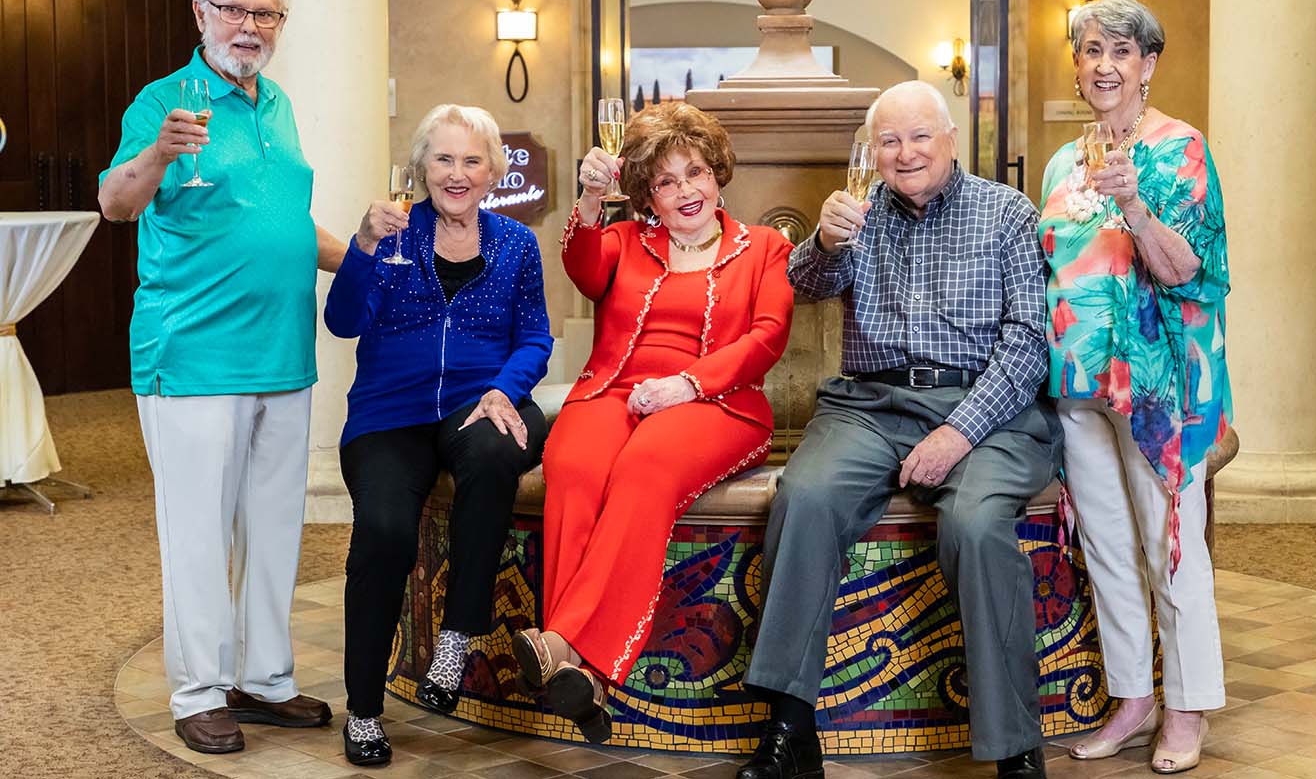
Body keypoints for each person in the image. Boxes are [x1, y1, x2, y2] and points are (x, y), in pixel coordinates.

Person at [738, 81, 1062, 779]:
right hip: (870, 406)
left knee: (974, 525)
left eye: (920, 136)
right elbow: (808, 285)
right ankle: (790, 731)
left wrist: (958, 433)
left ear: (951, 140)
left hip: (987, 406)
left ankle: (1015, 750)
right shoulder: (857, 214)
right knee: (806, 495)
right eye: (889, 140)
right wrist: (824, 240)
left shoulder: (1007, 213)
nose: (905, 152)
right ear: (872, 152)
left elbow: (1028, 342)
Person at [97, 0, 346, 756]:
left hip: (283, 353)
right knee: (199, 531)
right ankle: (200, 690)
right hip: (193, 357)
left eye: (266, 14)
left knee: (275, 527)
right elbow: (115, 203)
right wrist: (158, 155)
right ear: (200, 12)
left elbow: (286, 224)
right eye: (235, 10)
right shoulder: (161, 102)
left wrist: (376, 259)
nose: (251, 26)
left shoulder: (277, 105)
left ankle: (265, 680)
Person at [510, 102, 794, 744]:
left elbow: (768, 336)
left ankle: (562, 641)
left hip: (716, 400)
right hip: (614, 389)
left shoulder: (766, 248)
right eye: (665, 182)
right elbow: (583, 269)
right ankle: (584, 679)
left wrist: (689, 383)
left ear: (717, 173)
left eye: (694, 172)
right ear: (647, 196)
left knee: (646, 465)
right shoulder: (626, 241)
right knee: (572, 464)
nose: (685, 191)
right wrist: (588, 199)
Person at [323, 103, 552, 766]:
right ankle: (364, 709)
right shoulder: (390, 234)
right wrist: (363, 245)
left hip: (484, 402)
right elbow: (342, 322)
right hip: (389, 414)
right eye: (443, 159)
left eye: (471, 160)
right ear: (421, 168)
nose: (457, 173)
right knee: (385, 535)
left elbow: (535, 335)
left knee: (491, 450)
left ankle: (456, 639)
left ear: (492, 172)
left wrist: (503, 390)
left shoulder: (516, 244)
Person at [1039, 0, 1230, 775]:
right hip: (1078, 383)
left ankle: (1187, 708)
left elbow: (1194, 273)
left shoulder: (1182, 148)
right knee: (1109, 548)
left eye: (1121, 51)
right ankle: (1133, 700)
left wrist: (1134, 204)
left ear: (1148, 65)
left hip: (1159, 389)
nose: (1104, 66)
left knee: (1169, 544)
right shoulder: (1060, 161)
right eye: (1090, 51)